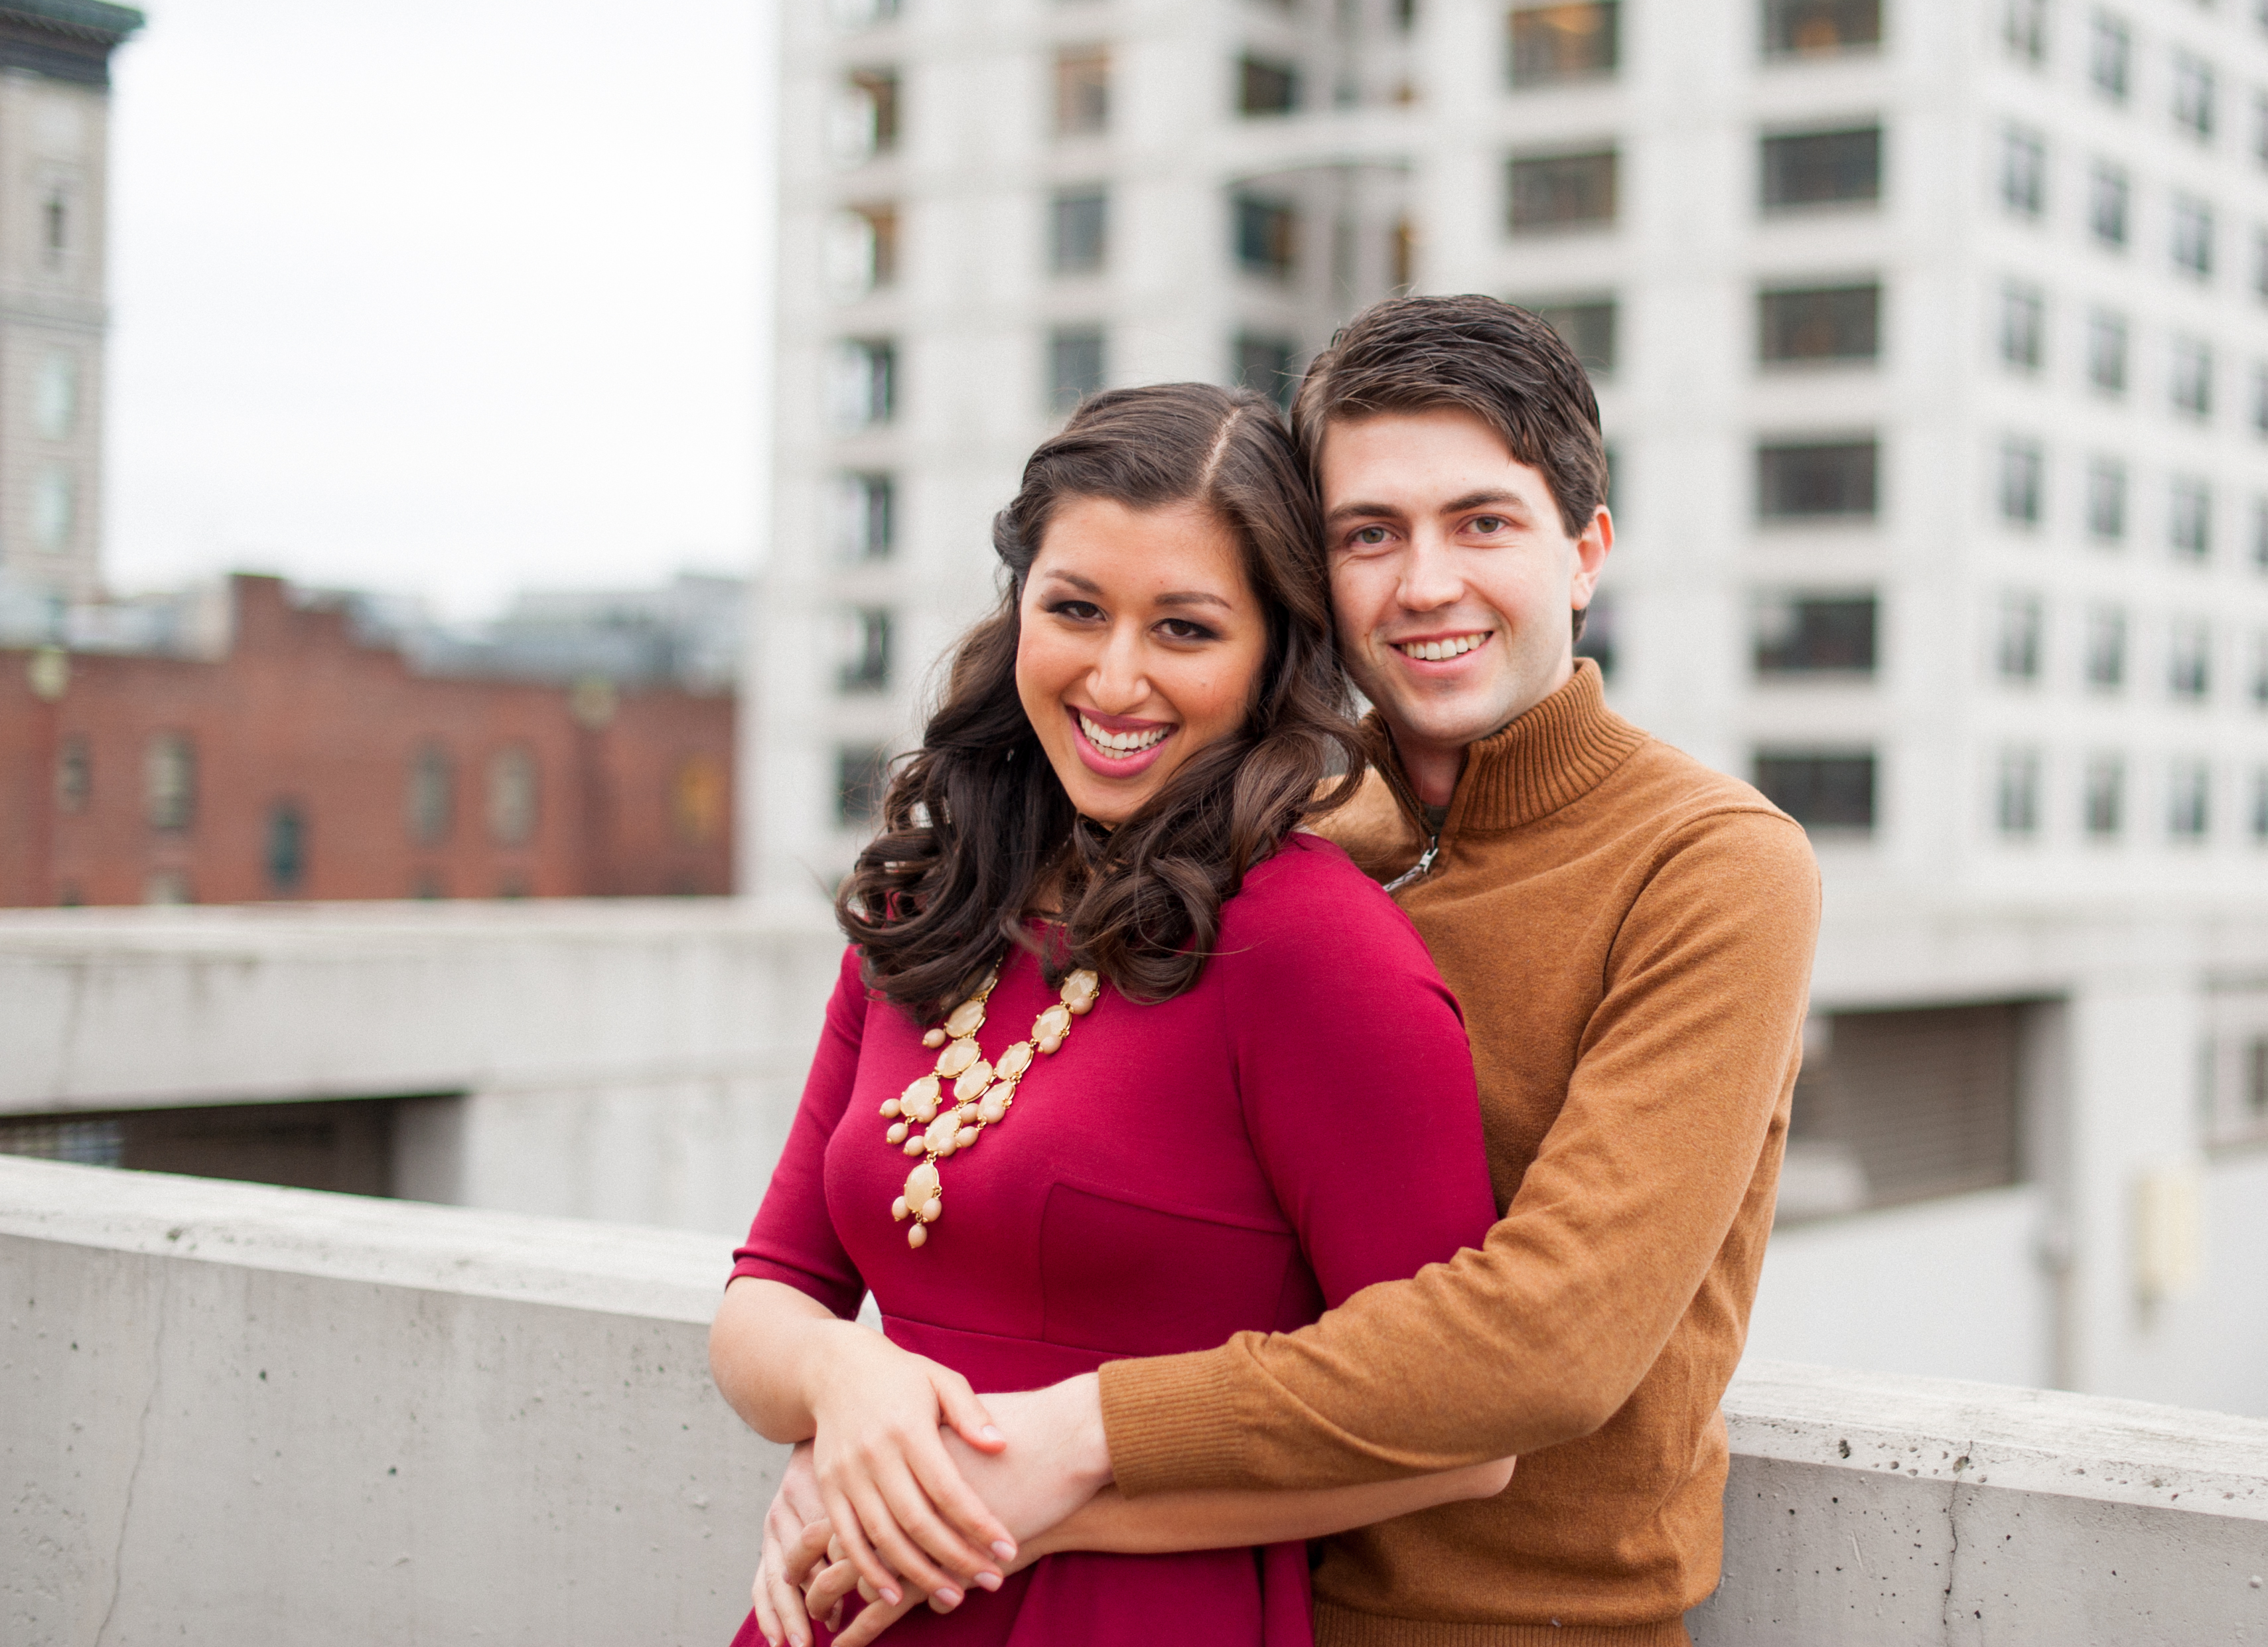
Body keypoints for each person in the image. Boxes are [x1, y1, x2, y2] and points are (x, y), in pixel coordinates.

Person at [771, 295, 1823, 1647]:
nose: (1424, 583)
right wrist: (864, 1449)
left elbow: (1549, 1340)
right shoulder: (1277, 859)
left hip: (1510, 1630)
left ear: (1584, 551)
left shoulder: (1711, 865)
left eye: (1482, 523)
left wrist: (1045, 1466)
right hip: (1226, 1602)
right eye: (1368, 536)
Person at [711, 380, 1518, 1647]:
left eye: (1187, 630)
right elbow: (765, 1299)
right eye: (1075, 609)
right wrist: (847, 1382)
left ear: (1272, 658)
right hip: (843, 1606)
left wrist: (1055, 1505)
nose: (1117, 677)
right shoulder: (935, 900)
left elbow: (1466, 1441)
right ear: (1018, 607)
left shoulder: (1317, 951)